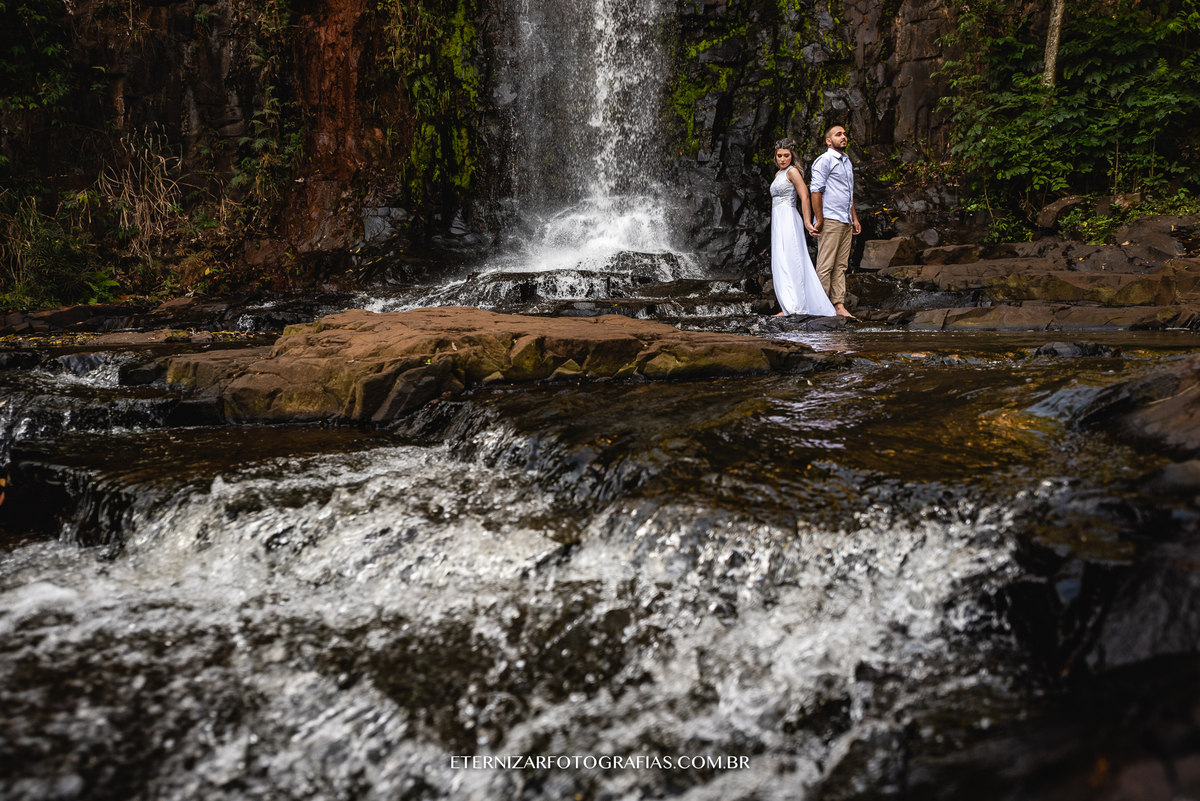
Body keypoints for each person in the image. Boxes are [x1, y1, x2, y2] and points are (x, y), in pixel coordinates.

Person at [768, 138, 836, 318]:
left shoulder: (793, 172)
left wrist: (807, 222)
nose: (782, 159)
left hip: (789, 218)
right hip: (778, 220)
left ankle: (797, 305)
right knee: (781, 260)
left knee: (792, 259)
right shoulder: (778, 174)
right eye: (779, 156)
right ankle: (787, 305)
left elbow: (805, 196)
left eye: (786, 155)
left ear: (792, 156)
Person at [810, 125, 861, 319]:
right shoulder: (824, 160)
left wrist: (854, 218)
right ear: (828, 141)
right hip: (830, 218)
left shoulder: (846, 161)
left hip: (845, 219)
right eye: (838, 134)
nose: (843, 137)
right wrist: (819, 219)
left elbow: (848, 193)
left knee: (840, 265)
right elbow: (815, 190)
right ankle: (820, 307)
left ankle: (838, 305)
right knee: (826, 265)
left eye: (845, 134)